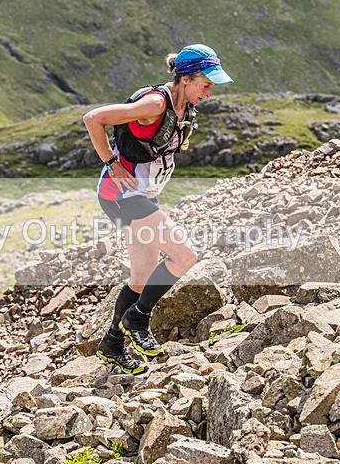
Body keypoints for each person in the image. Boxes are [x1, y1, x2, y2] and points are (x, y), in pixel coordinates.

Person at [83, 44, 233, 375]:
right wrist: (110, 161)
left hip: (142, 195)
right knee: (184, 255)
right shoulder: (154, 103)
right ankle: (137, 319)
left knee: (142, 273)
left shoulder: (185, 108)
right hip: (122, 195)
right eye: (206, 84)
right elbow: (93, 118)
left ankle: (112, 344)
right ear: (187, 78)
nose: (209, 92)